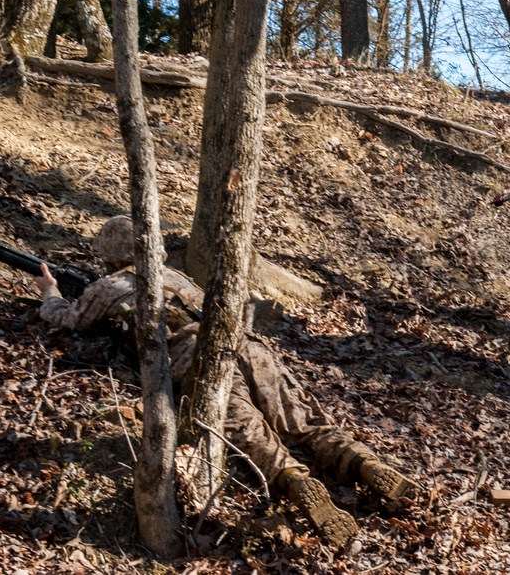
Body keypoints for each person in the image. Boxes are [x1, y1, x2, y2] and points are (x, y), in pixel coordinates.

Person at [33, 216, 419, 546]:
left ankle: (295, 482)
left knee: (248, 430)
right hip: (248, 345)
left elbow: (70, 319)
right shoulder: (174, 275)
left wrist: (50, 291)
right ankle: (365, 463)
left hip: (199, 358)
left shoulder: (110, 286)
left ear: (109, 254)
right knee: (301, 421)